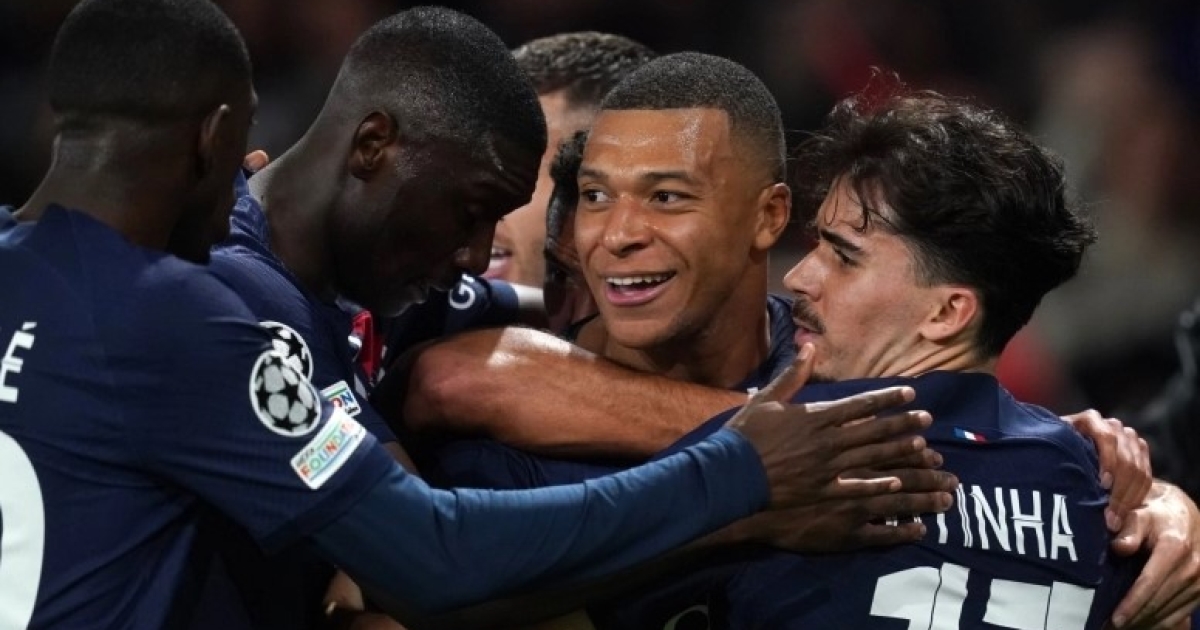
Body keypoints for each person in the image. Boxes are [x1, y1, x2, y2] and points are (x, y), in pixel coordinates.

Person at [0, 2, 951, 627]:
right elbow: (430, 562)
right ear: (371, 146)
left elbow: (542, 320)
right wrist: (738, 476)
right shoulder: (212, 311)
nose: (474, 253)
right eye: (469, 211)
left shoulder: (45, 266)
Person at [391, 57, 1200, 628]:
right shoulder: (1087, 491)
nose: (803, 275)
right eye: (598, 196)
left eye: (842, 255)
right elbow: (468, 378)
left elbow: (460, 574)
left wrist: (744, 483)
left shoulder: (803, 485)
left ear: (947, 313)